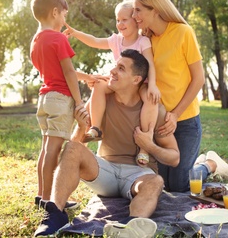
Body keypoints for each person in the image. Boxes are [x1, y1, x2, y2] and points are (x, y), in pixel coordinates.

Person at [34, 49, 180, 237]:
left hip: (139, 174)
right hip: (105, 171)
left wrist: (149, 145)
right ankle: (55, 215)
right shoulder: (99, 102)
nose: (112, 71)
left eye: (121, 68)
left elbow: (174, 158)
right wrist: (80, 126)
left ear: (136, 79)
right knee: (72, 147)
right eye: (114, 66)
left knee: (156, 181)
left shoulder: (154, 110)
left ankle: (129, 227)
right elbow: (77, 148)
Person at [131, 0, 228, 192]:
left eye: (138, 10)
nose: (134, 15)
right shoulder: (145, 40)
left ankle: (210, 164)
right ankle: (199, 164)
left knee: (179, 185)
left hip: (184, 121)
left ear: (155, 10)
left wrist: (175, 115)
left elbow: (198, 79)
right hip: (159, 122)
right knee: (164, 184)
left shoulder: (183, 32)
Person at [63, 0, 161, 167]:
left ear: (136, 21)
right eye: (117, 20)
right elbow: (94, 41)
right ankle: (95, 128)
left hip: (140, 83)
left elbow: (150, 64)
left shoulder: (143, 41)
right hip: (118, 82)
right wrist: (74, 32)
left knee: (150, 99)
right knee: (99, 86)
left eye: (124, 19)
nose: (120, 24)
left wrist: (152, 84)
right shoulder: (116, 40)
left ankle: (145, 144)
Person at [30, 0, 95, 210]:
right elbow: (67, 73)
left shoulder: (36, 40)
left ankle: (42, 195)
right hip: (60, 99)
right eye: (64, 16)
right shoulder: (57, 38)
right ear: (55, 12)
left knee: (46, 148)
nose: (64, 20)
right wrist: (78, 102)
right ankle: (50, 200)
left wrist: (87, 77)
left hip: (45, 98)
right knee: (54, 151)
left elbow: (55, 69)